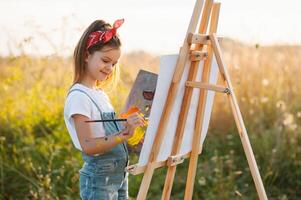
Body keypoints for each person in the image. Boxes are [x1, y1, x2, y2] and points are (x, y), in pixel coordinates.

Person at [63, 19, 146, 200]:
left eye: (114, 64)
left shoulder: (99, 94)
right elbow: (89, 146)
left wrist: (129, 126)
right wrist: (124, 134)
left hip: (118, 176)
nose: (110, 68)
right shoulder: (79, 96)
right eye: (105, 60)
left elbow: (105, 132)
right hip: (99, 179)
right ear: (86, 55)